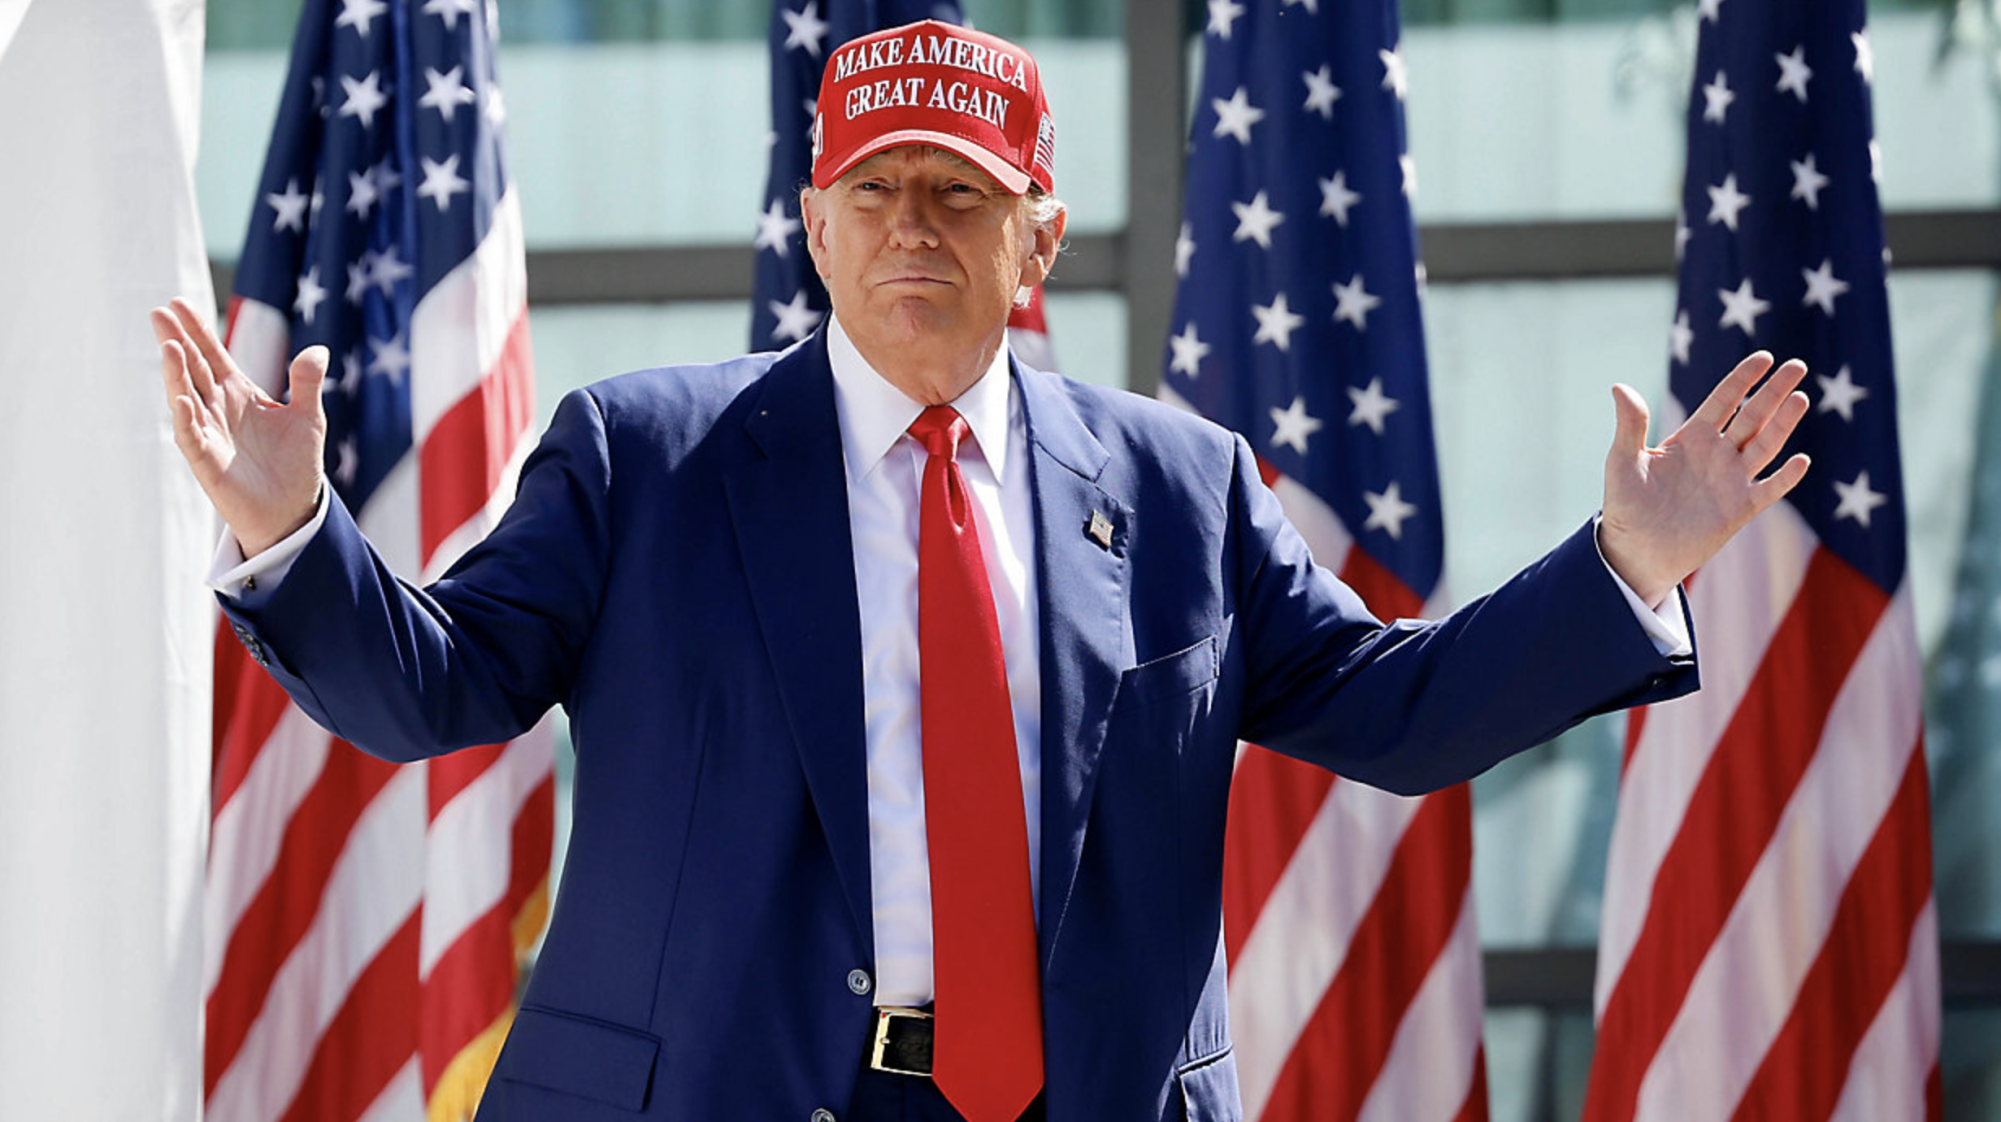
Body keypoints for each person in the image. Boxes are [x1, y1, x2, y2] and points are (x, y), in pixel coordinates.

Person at [153, 19, 1810, 1122]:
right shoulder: (641, 457)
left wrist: (1624, 566)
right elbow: (436, 683)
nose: (913, 230)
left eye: (961, 193)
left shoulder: (1180, 485)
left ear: (1043, 239)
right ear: (813, 223)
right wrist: (294, 536)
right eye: (874, 191)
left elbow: (1396, 711)